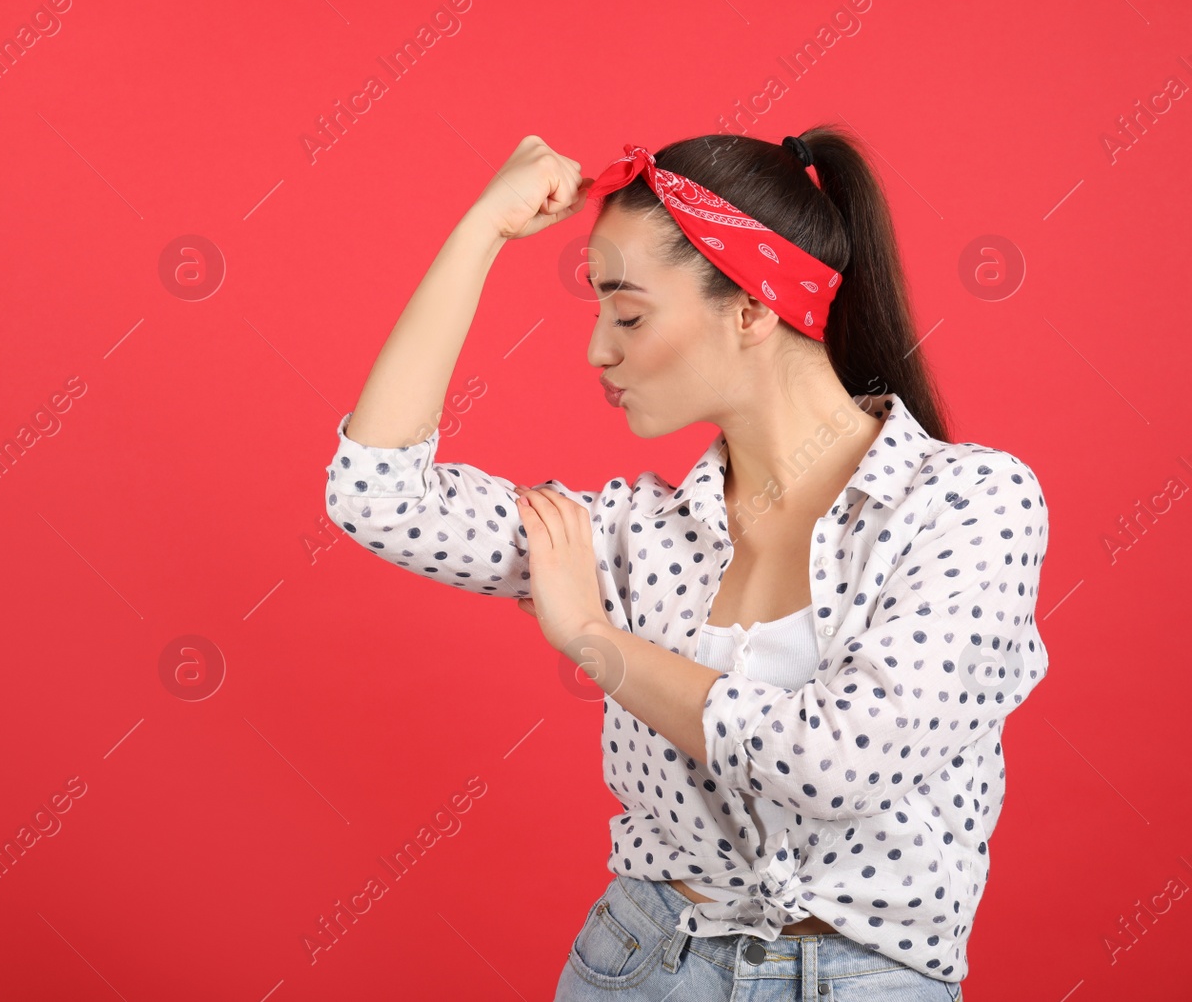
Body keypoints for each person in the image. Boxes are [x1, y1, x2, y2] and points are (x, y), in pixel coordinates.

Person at [322, 131, 1048, 1000]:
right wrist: (481, 228)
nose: (597, 350)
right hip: (641, 963)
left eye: (627, 315)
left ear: (752, 309)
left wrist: (599, 642)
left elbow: (838, 760)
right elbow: (376, 493)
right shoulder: (632, 534)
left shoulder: (969, 503)